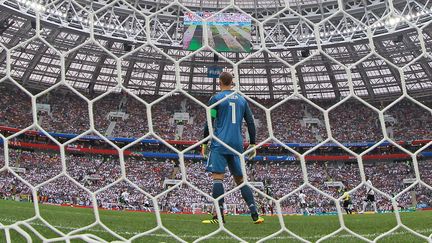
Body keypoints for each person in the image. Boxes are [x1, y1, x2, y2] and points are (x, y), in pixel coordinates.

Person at [201, 72, 264, 224]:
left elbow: (210, 120)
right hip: (237, 144)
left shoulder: (216, 99)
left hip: (220, 142)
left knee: (218, 178)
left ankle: (219, 217)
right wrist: (253, 143)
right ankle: (255, 214)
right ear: (232, 82)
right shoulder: (242, 100)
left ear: (219, 82)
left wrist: (204, 143)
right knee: (241, 180)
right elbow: (250, 122)